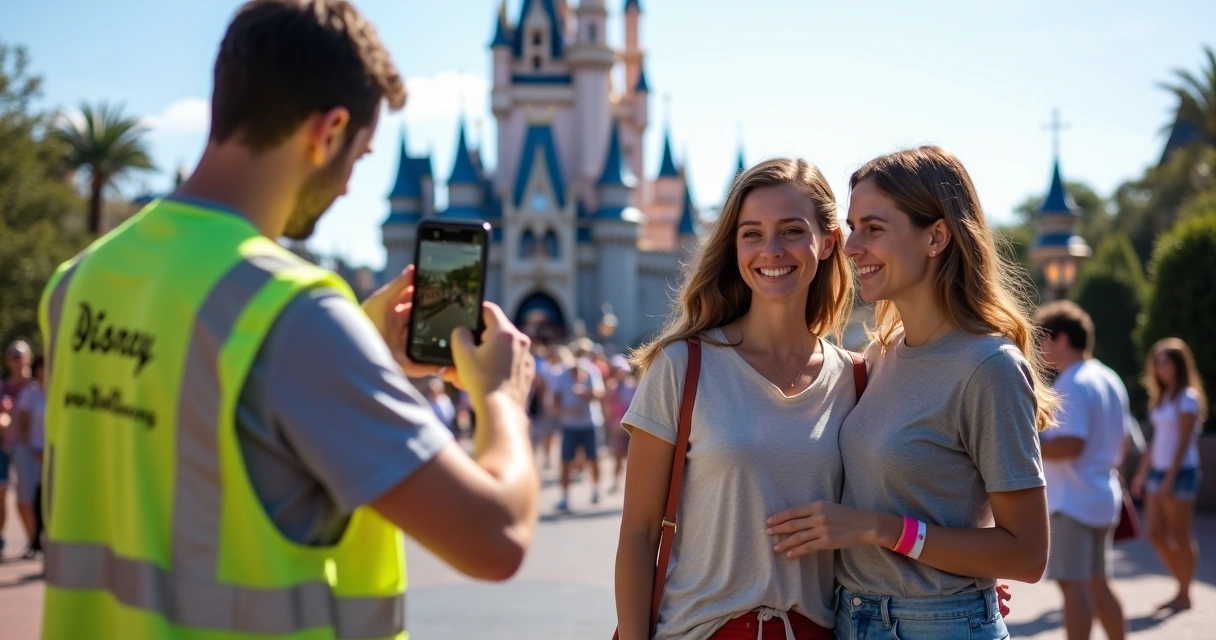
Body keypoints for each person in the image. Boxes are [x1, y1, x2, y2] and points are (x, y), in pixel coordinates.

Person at [38, 2, 537, 638]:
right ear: (327, 131)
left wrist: (357, 346)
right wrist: (503, 398)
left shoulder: (78, 281)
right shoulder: (289, 313)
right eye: (357, 158)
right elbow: (496, 538)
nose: (350, 188)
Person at [767, 146, 1053, 640]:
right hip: (849, 618)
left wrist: (879, 529)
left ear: (936, 236)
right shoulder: (881, 357)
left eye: (873, 228)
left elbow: (1027, 555)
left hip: (939, 626)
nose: (852, 247)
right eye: (852, 227)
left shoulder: (990, 367)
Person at [617, 158, 857, 640]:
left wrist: (956, 580)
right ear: (734, 246)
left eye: (791, 231)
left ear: (829, 241)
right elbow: (639, 534)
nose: (770, 250)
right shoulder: (683, 366)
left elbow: (890, 513)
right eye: (752, 233)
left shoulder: (858, 379)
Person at [1035, 301, 1129, 640]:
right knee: (1099, 582)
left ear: (1061, 339)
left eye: (1043, 339)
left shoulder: (1071, 383)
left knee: (1074, 587)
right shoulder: (1109, 377)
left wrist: (1027, 448)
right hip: (1102, 494)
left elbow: (1072, 444)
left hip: (1073, 500)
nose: (1040, 349)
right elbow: (1125, 443)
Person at [1132, 337, 1208, 612]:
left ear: (1179, 365)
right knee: (1153, 533)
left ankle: (1184, 593)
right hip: (1158, 472)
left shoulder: (1188, 397)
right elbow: (1157, 441)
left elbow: (1184, 441)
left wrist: (1169, 477)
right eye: (1157, 363)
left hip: (1181, 473)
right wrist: (1141, 473)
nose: (1160, 368)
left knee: (1180, 535)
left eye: (1166, 362)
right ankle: (1182, 583)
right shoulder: (1162, 397)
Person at [554, 345, 606, 511]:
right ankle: (564, 496)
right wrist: (567, 411)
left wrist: (585, 393)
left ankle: (596, 490)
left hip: (590, 423)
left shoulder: (591, 371)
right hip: (570, 425)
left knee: (594, 458)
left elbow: (600, 393)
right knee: (565, 461)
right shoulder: (562, 375)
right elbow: (554, 403)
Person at [10, 353, 46, 559]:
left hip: (54, 455)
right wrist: (33, 451)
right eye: (41, 367)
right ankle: (33, 540)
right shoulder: (30, 394)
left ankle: (42, 540)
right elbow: (21, 426)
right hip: (31, 453)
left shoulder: (59, 390)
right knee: (28, 498)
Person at [0, 339, 34, 557]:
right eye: (12, 356)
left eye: (19, 355)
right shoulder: (3, 387)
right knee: (1, 494)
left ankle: (34, 541)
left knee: (26, 498)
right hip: (4, 447)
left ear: (28, 358)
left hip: (30, 449)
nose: (16, 360)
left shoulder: (37, 386)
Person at [603, 355, 637, 493]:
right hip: (617, 426)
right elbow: (608, 407)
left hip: (631, 427)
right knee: (617, 456)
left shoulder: (634, 386)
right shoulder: (612, 387)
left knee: (633, 457)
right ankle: (616, 482)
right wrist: (608, 425)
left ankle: (632, 484)